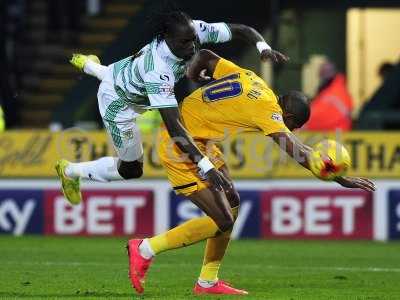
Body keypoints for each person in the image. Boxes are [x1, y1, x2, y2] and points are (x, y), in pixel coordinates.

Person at [126, 50, 376, 295]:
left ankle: (207, 281)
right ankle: (146, 248)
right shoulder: (269, 111)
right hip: (180, 144)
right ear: (287, 115)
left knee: (232, 204)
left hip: (200, 141)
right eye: (294, 126)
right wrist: (339, 178)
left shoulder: (253, 79)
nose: (292, 131)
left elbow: (204, 56)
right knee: (223, 220)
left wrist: (193, 75)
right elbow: (297, 150)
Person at [55, 9, 288, 206]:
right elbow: (175, 128)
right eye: (184, 43)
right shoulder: (158, 70)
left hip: (125, 73)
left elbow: (242, 30)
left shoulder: (193, 31)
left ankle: (89, 65)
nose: (191, 47)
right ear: (167, 38)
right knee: (131, 170)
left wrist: (263, 47)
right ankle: (69, 171)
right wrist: (206, 167)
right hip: (118, 103)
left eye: (193, 39)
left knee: (114, 74)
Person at [303, 61, 353, 131]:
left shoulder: (338, 92)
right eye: (322, 72)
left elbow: (325, 116)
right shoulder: (326, 92)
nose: (324, 75)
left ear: (334, 72)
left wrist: (305, 125)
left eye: (327, 71)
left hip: (336, 136)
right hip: (326, 135)